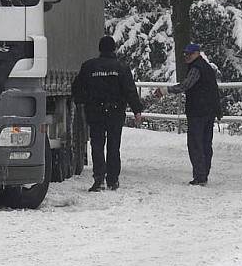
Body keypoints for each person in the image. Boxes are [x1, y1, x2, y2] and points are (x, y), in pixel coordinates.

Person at [72, 35, 143, 192]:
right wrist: (137, 110)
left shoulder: (89, 66)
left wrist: (82, 102)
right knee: (113, 146)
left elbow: (77, 87)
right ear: (114, 48)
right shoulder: (121, 68)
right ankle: (112, 179)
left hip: (95, 111)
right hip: (115, 112)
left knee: (97, 145)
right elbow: (130, 91)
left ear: (99, 48)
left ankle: (99, 179)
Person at [155, 43, 222, 185]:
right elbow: (213, 89)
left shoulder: (196, 68)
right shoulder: (207, 68)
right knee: (205, 143)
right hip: (209, 111)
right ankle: (204, 173)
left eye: (189, 54)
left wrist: (165, 90)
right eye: (185, 54)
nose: (186, 56)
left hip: (198, 111)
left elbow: (186, 85)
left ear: (197, 54)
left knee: (196, 144)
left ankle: (200, 175)